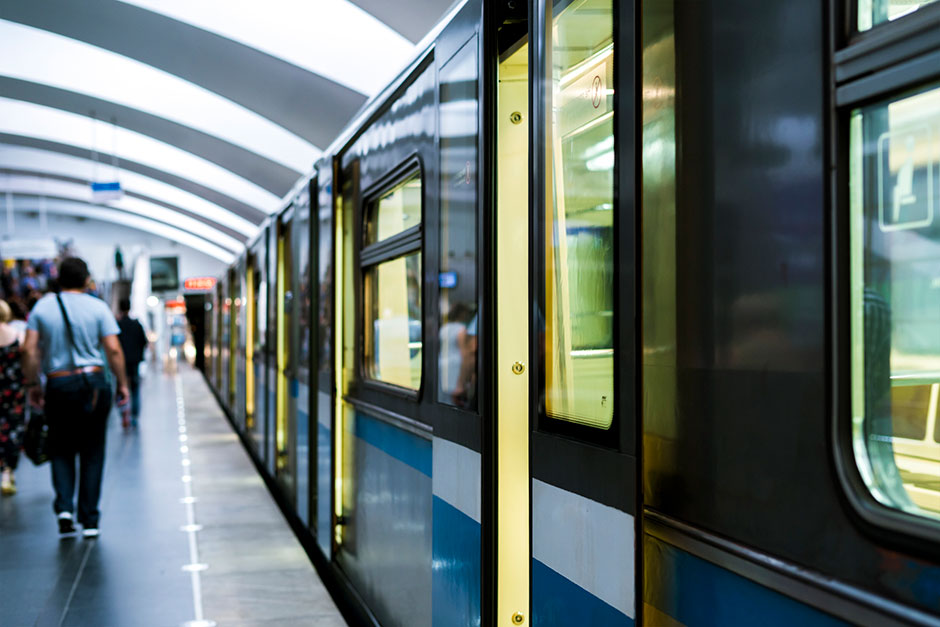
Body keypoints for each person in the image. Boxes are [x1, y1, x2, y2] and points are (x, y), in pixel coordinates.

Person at [22, 257, 129, 538]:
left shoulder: (43, 307)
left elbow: (29, 350)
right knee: (93, 451)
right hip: (93, 383)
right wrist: (122, 383)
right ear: (86, 279)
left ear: (59, 279)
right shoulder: (97, 307)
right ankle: (90, 519)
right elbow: (113, 349)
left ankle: (64, 509)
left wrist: (33, 383)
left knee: (60, 447)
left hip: (58, 385)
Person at [0, 299, 27, 495]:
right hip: (14, 389)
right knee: (13, 427)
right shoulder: (17, 335)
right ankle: (8, 471)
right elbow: (27, 358)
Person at [116, 298, 148, 427]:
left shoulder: (117, 325)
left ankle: (123, 412)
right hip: (134, 362)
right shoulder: (136, 324)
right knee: (135, 389)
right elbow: (144, 342)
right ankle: (134, 416)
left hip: (120, 363)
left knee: (121, 388)